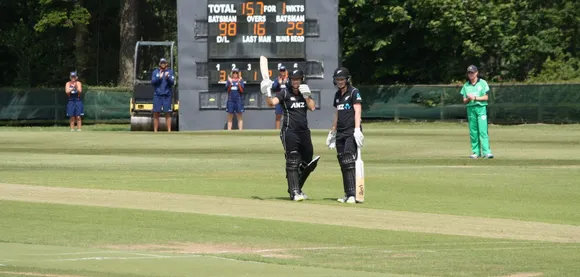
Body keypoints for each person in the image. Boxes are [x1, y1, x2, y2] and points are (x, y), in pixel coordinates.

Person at [261, 69, 320, 201]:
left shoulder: (304, 91)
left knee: (308, 159)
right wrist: (266, 93)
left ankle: (296, 186)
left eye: (298, 79)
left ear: (302, 79)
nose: (295, 82)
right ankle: (294, 192)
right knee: (293, 159)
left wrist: (306, 96)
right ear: (290, 80)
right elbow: (272, 103)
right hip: (289, 131)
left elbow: (312, 107)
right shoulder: (284, 93)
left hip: (304, 131)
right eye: (293, 79)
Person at [325, 67, 364, 204]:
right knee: (343, 163)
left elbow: (358, 111)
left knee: (348, 161)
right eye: (337, 79)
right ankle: (348, 193)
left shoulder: (354, 92)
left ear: (347, 79)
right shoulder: (337, 95)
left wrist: (357, 129)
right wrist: (333, 132)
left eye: (342, 79)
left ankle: (353, 194)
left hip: (351, 131)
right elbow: (337, 114)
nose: (339, 82)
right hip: (340, 132)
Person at [460, 65, 494, 159]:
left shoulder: (482, 83)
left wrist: (474, 98)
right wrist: (468, 99)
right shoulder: (466, 85)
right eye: (469, 72)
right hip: (471, 109)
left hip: (481, 108)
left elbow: (486, 97)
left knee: (483, 130)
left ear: (476, 73)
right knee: (473, 131)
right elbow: (464, 100)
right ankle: (476, 152)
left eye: (472, 72)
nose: (471, 74)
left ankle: (487, 152)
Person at [151, 58, 176, 132]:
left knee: (167, 113)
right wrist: (159, 77)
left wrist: (167, 78)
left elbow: (172, 83)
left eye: (164, 63)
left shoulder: (170, 72)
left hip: (167, 95)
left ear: (166, 64)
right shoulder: (155, 72)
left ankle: (169, 130)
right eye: (162, 63)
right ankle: (155, 131)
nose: (163, 64)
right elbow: (153, 82)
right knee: (156, 113)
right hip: (157, 95)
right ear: (159, 64)